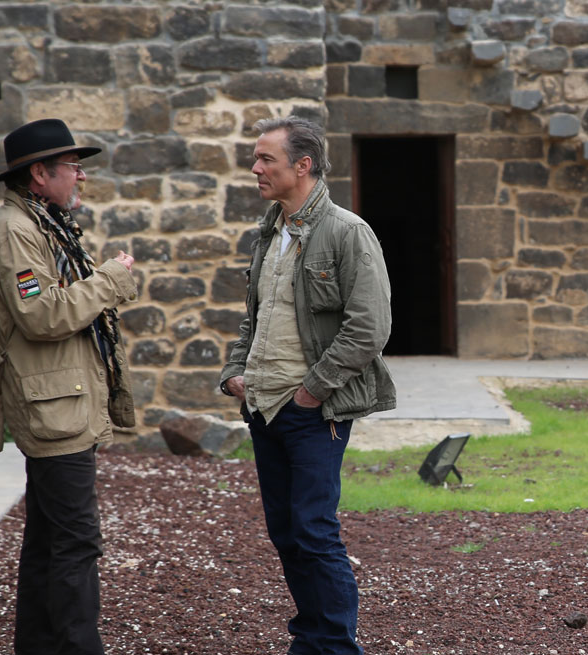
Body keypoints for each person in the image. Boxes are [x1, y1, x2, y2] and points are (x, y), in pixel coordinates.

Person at [219, 116, 396, 655]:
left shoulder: (347, 231)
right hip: (265, 409)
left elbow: (370, 327)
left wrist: (312, 392)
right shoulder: (268, 232)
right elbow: (256, 314)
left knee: (315, 533)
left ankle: (337, 648)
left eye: (265, 159)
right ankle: (311, 642)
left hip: (314, 412)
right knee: (288, 535)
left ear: (303, 165)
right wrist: (234, 373)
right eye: (256, 158)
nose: (255, 168)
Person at [0, 118, 139, 655]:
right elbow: (42, 315)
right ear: (39, 174)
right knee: (75, 542)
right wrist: (110, 281)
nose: (81, 178)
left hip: (60, 405)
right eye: (73, 167)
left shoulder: (39, 223)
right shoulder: (17, 232)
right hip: (54, 412)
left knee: (49, 542)